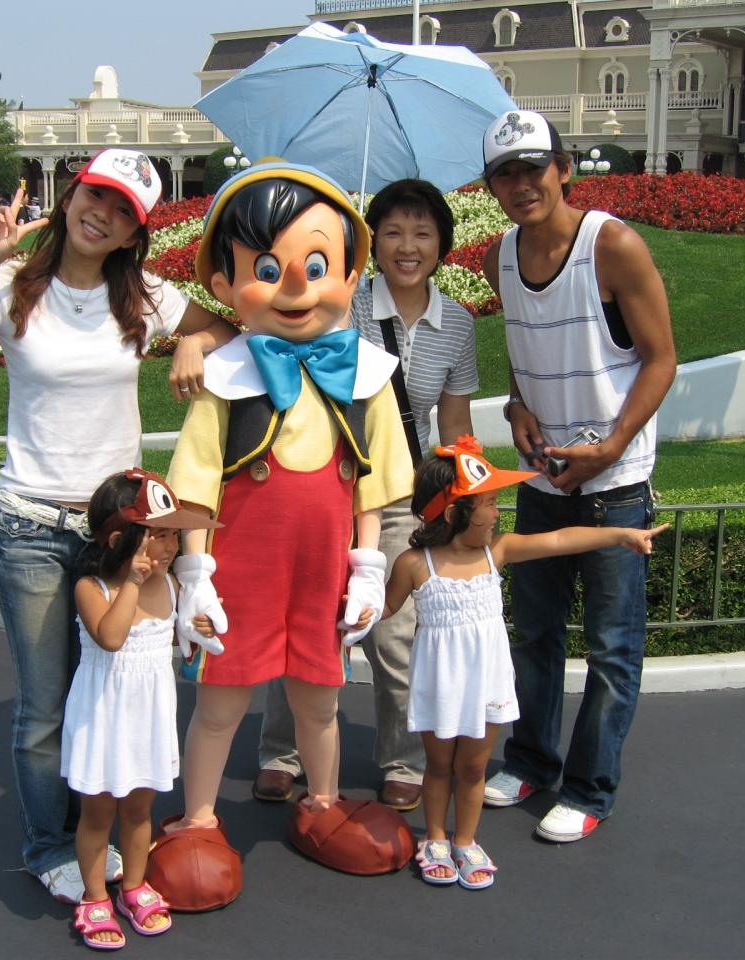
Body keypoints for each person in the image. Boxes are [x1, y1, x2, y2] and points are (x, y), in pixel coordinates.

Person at [0, 148, 234, 903]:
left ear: (133, 232)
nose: (100, 215)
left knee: (106, 691)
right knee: (45, 706)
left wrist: (192, 339)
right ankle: (50, 846)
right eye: (95, 196)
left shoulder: (143, 295)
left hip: (118, 534)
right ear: (71, 194)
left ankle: (93, 835)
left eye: (121, 211)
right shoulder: (13, 286)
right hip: (33, 531)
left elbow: (228, 331)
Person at [162, 161, 414, 893]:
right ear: (225, 285)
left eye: (317, 265)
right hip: (239, 575)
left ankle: (324, 803)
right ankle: (198, 817)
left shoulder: (367, 375)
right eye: (267, 270)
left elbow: (371, 489)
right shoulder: (224, 377)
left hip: (323, 573)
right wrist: (195, 576)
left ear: (349, 273)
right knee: (220, 703)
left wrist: (368, 570)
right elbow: (196, 485)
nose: (296, 286)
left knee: (319, 700)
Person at [479, 109, 676, 843]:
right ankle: (531, 760)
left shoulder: (611, 245)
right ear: (493, 187)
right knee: (534, 634)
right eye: (506, 174)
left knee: (612, 648)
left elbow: (661, 358)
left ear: (563, 170)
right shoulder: (501, 256)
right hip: (542, 481)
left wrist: (613, 445)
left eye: (534, 168)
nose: (522, 185)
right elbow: (525, 349)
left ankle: (590, 789)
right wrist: (517, 405)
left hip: (614, 483)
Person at [254, 178, 479, 813]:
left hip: (402, 495)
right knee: (304, 618)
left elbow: (454, 423)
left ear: (442, 244)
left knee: (392, 633)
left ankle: (403, 759)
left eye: (422, 233)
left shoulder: (457, 324)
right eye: (393, 232)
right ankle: (281, 753)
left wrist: (463, 497)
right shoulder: (341, 300)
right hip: (329, 483)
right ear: (372, 242)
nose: (408, 246)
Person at [379, 438, 667, 888]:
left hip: (487, 682)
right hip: (440, 684)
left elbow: (560, 539)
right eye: (489, 504)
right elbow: (383, 608)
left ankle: (465, 840)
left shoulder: (498, 551)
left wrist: (620, 534)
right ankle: (434, 837)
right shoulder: (416, 564)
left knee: (473, 768)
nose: (498, 513)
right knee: (437, 767)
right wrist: (348, 611)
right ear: (454, 513)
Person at [63, 469, 220, 949]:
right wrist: (132, 580)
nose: (171, 547)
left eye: (173, 535)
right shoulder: (92, 588)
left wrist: (197, 629)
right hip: (102, 720)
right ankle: (95, 896)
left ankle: (133, 886)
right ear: (119, 541)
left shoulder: (169, 585)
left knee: (139, 810)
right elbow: (111, 638)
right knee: (97, 814)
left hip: (146, 720)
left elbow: (171, 639)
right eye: (159, 535)